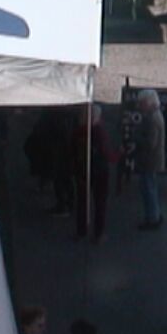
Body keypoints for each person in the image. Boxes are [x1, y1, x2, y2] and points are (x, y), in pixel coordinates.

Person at [72, 104, 114, 244]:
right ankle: (98, 233)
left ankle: (81, 231)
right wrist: (119, 154)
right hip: (99, 171)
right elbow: (107, 153)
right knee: (100, 202)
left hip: (82, 169)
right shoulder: (99, 132)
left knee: (82, 201)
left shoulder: (78, 131)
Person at [133, 89, 167, 230]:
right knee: (150, 187)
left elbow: (150, 143)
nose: (139, 106)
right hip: (152, 161)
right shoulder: (155, 115)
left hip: (149, 161)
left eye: (142, 103)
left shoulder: (152, 119)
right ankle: (155, 215)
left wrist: (136, 136)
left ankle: (152, 218)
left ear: (149, 102)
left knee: (148, 190)